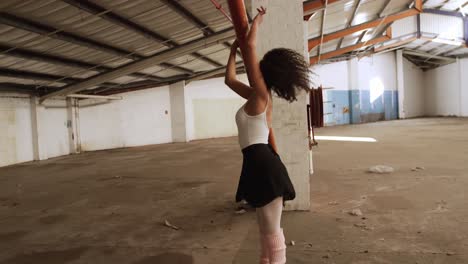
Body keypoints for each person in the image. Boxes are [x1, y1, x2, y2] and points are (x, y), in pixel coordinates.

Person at [224, 6, 311, 264]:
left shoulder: (261, 95)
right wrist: (231, 53)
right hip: (257, 162)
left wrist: (257, 21)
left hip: (262, 164)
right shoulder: (255, 96)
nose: (254, 70)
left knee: (271, 231)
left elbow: (250, 46)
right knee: (264, 230)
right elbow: (229, 80)